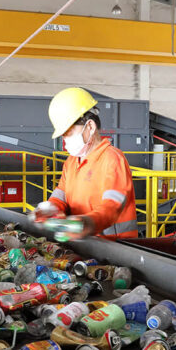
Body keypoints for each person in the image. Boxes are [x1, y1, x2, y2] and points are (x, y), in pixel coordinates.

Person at [31, 87, 137, 240]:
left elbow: (112, 206)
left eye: (68, 132)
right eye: (63, 135)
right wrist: (50, 208)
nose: (65, 140)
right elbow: (62, 194)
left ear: (90, 126)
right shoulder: (71, 161)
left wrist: (88, 223)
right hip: (85, 244)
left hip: (115, 246)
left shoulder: (112, 159)